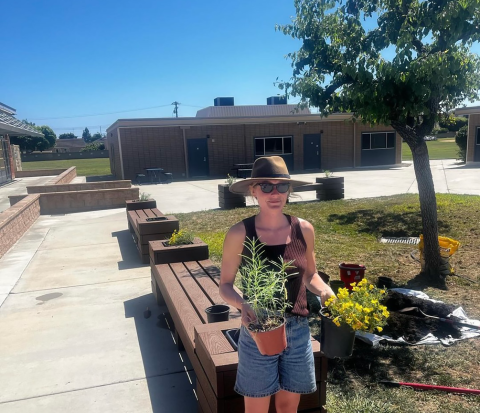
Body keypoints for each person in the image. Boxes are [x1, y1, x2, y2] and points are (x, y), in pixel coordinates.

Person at [219, 156, 335, 413]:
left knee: (287, 407)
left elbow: (310, 275)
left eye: (281, 186)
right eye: (266, 186)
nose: (275, 193)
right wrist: (242, 303)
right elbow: (225, 285)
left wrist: (326, 290)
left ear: (289, 190)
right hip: (258, 330)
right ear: (253, 190)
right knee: (257, 408)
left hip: (298, 331)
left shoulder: (303, 229)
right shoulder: (239, 233)